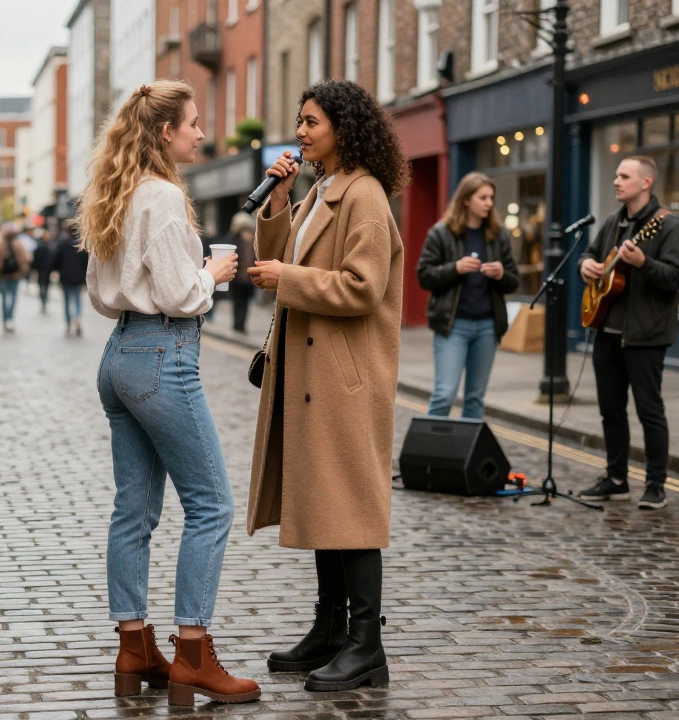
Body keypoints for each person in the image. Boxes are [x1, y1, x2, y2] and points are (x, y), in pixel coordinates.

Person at [82, 80, 258, 707]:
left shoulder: (118, 191)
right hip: (163, 352)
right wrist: (212, 273)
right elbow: (184, 294)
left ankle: (134, 648)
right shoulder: (161, 195)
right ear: (165, 132)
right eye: (193, 123)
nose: (202, 133)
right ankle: (192, 654)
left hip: (120, 353)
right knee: (211, 505)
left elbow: (102, 291)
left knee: (134, 509)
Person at [246, 80, 407, 693]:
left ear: (344, 127)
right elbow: (284, 257)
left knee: (352, 507)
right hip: (313, 372)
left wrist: (289, 276)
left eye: (312, 121)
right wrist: (279, 202)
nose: (302, 130)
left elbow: (362, 287)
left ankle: (368, 645)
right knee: (324, 500)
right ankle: (331, 630)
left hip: (346, 377)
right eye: (300, 120)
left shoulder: (364, 195)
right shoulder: (320, 190)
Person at [578, 155, 679, 510]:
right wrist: (586, 265)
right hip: (607, 331)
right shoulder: (613, 222)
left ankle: (656, 484)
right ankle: (616, 478)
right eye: (615, 175)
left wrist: (644, 263)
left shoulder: (667, 226)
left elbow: (674, 279)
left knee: (649, 411)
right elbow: (591, 254)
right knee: (611, 411)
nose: (615, 181)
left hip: (645, 337)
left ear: (645, 183)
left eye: (624, 176)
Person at [416, 172, 519, 419]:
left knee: (475, 399)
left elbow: (514, 281)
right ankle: (431, 455)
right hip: (453, 326)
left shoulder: (498, 234)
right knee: (444, 394)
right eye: (482, 197)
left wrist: (501, 274)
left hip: (487, 326)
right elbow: (424, 275)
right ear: (465, 200)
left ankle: (466, 458)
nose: (489, 203)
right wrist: (455, 268)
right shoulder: (441, 233)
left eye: (491, 198)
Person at [0, 222, 32, 332]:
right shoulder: (18, 245)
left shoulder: (0, 245)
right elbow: (26, 259)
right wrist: (21, 271)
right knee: (13, 297)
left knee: (4, 298)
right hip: (15, 276)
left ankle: (5, 320)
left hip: (3, 276)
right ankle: (10, 319)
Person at [50, 220, 89, 337]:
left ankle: (68, 323)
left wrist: (56, 270)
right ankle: (77, 317)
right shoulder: (82, 244)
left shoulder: (62, 244)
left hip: (65, 276)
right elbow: (86, 262)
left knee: (67, 301)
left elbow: (55, 259)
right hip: (78, 277)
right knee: (77, 299)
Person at [225, 212, 258, 333]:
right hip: (238, 277)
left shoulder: (254, 240)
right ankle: (237, 324)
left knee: (244, 302)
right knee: (238, 301)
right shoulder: (235, 239)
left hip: (248, 278)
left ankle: (241, 324)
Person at [31, 229, 55, 314]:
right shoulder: (50, 247)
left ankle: (43, 302)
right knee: (45, 287)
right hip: (46, 270)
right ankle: (44, 302)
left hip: (42, 271)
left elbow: (34, 261)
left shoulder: (40, 248)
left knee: (42, 287)